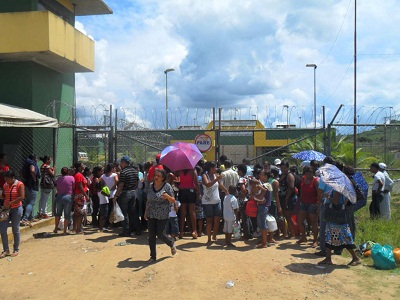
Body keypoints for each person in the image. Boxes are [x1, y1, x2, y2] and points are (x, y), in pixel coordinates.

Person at [318, 189, 360, 266]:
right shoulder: (344, 190)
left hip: (335, 218)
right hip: (337, 218)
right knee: (330, 237)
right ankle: (328, 258)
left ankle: (355, 257)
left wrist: (326, 196)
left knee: (344, 238)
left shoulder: (338, 190)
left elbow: (336, 201)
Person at [144, 169, 177, 263]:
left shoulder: (167, 186)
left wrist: (167, 196)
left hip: (163, 214)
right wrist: (146, 211)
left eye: (158, 176)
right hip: (151, 213)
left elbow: (173, 200)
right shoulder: (151, 186)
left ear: (163, 178)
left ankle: (171, 243)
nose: (156, 177)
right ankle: (153, 256)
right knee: (151, 235)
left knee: (161, 234)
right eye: (155, 175)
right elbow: (148, 200)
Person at [0, 170, 25, 258]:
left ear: (13, 178)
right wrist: (1, 196)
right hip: (6, 210)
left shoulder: (19, 184)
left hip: (16, 209)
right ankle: (6, 250)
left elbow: (22, 197)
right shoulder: (5, 185)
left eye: (7, 179)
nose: (6, 181)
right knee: (2, 229)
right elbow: (4, 196)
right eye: (5, 179)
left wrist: (11, 203)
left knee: (15, 229)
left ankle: (16, 249)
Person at [202, 161, 227, 245]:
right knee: (209, 220)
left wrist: (226, 191)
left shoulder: (216, 175)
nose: (216, 169)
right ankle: (209, 238)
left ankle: (214, 235)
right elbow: (207, 184)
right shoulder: (205, 176)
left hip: (217, 200)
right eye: (215, 167)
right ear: (211, 168)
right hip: (207, 202)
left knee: (217, 219)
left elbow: (220, 185)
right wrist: (217, 179)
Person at [114, 156, 139, 237]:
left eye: (121, 162)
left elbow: (121, 185)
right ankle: (137, 230)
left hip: (125, 193)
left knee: (124, 213)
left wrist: (116, 195)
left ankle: (126, 231)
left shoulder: (124, 172)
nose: (121, 164)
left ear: (124, 163)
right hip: (133, 193)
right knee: (133, 212)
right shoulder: (134, 171)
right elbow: (137, 182)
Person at [296, 166, 319, 248]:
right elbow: (301, 190)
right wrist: (300, 200)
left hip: (313, 203)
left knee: (313, 223)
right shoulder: (303, 179)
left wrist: (318, 205)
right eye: (307, 173)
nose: (309, 174)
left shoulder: (316, 181)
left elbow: (319, 193)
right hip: (304, 202)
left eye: (310, 173)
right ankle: (303, 237)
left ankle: (315, 240)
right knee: (299, 221)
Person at [177, 168, 200, 239]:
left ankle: (181, 232)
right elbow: (196, 182)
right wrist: (199, 192)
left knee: (183, 212)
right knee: (192, 211)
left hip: (182, 191)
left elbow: (175, 177)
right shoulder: (193, 170)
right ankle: (194, 231)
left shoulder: (180, 170)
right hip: (191, 190)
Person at [279, 160, 297, 239]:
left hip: (289, 198)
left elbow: (291, 187)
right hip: (284, 198)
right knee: (286, 216)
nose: (283, 169)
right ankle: (289, 232)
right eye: (282, 168)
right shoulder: (283, 174)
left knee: (288, 216)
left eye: (284, 168)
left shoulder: (289, 175)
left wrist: (287, 198)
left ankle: (293, 233)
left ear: (288, 167)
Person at [54, 167, 75, 234]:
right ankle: (65, 231)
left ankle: (55, 229)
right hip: (68, 197)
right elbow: (73, 187)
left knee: (58, 214)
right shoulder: (71, 178)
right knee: (67, 214)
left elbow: (57, 187)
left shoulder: (58, 179)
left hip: (59, 196)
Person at [21, 154, 40, 226]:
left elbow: (21, 172)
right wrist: (34, 178)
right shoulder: (32, 164)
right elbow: (32, 170)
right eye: (36, 158)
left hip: (27, 184)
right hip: (32, 185)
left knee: (29, 201)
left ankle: (31, 217)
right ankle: (25, 219)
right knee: (31, 202)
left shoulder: (26, 164)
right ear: (34, 158)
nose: (37, 159)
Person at [73, 162, 89, 234]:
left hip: (80, 195)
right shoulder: (79, 175)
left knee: (77, 212)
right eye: (82, 165)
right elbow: (80, 186)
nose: (84, 166)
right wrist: (86, 195)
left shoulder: (80, 174)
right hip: (80, 195)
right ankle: (78, 229)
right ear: (79, 167)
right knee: (80, 213)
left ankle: (75, 228)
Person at [101, 163, 119, 228]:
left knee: (107, 209)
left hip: (106, 194)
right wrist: (114, 186)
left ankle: (106, 223)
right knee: (113, 209)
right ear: (112, 169)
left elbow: (100, 182)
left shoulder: (103, 176)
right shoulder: (114, 175)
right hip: (113, 193)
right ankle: (114, 223)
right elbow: (117, 180)